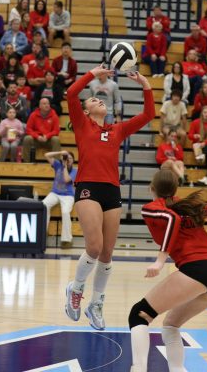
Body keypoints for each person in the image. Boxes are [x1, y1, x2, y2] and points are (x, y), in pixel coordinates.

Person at [64, 66, 154, 331]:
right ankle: (76, 290)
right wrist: (92, 74)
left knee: (106, 253)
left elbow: (149, 114)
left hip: (112, 190)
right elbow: (71, 92)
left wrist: (146, 85)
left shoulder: (117, 130)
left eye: (101, 99)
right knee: (93, 246)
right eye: (93, 100)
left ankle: (96, 303)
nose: (98, 100)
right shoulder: (81, 124)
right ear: (86, 110)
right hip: (88, 187)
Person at [133, 169, 207, 372]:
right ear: (176, 189)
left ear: (152, 188)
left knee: (139, 315)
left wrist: (160, 260)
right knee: (171, 325)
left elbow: (172, 220)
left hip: (198, 268)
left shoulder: (152, 208)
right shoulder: (185, 205)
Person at [22, 97, 61, 162]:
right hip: (37, 140)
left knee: (56, 139)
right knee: (27, 139)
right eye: (44, 104)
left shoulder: (54, 115)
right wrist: (37, 136)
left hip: (48, 140)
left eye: (48, 103)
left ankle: (56, 164)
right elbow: (28, 129)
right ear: (40, 106)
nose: (47, 105)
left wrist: (47, 136)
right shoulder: (33, 115)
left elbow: (56, 130)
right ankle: (27, 162)